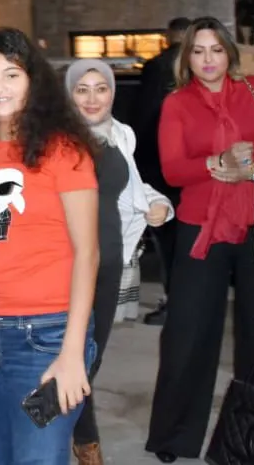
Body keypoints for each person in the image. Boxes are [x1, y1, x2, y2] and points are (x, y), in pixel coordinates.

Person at [0, 28, 100, 465]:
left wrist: (72, 353)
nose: (0, 87)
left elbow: (88, 254)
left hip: (45, 338)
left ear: (33, 81)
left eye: (11, 75)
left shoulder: (64, 152)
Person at [145, 16, 254, 463]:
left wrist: (251, 169)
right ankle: (174, 436)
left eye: (216, 49)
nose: (208, 59)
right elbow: (172, 170)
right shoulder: (178, 104)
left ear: (230, 52)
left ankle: (252, 438)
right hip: (200, 228)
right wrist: (215, 163)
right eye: (198, 51)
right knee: (187, 334)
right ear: (187, 57)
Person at [65, 59, 173, 465]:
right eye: (82, 89)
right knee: (72, 355)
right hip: (68, 262)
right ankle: (85, 442)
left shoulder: (121, 135)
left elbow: (132, 189)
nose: (93, 98)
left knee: (91, 356)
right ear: (68, 95)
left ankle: (67, 431)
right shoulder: (58, 140)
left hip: (110, 259)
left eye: (101, 88)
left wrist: (159, 203)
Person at [132, 17, 190, 326]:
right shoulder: (200, 66)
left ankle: (175, 302)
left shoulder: (157, 67)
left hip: (160, 166)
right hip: (196, 168)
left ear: (169, 36)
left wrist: (138, 164)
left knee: (169, 239)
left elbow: (145, 115)